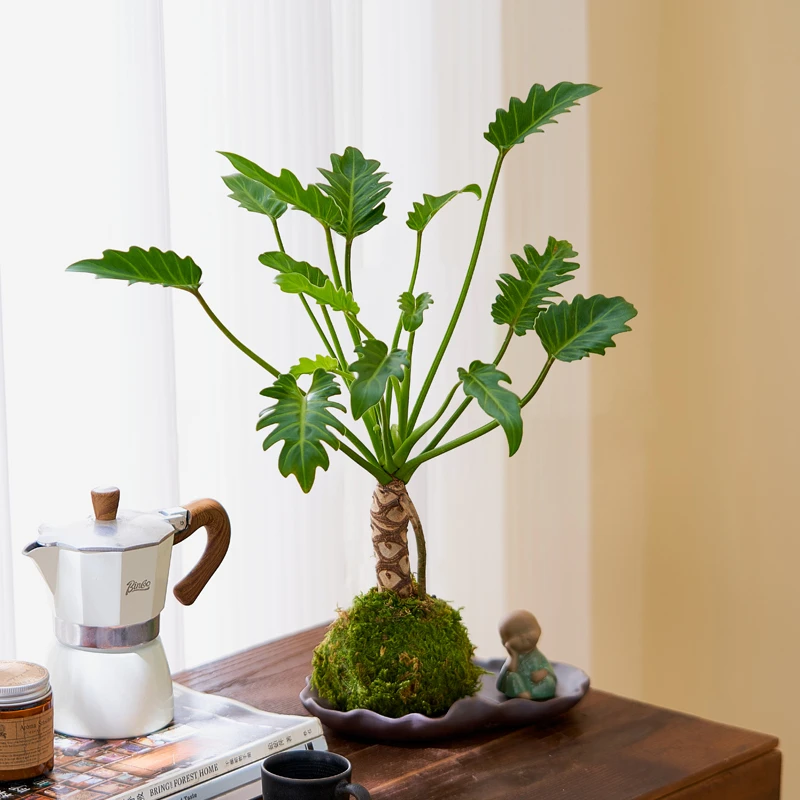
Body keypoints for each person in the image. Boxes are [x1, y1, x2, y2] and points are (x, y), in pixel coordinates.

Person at [496, 609, 557, 700]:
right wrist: (513, 654)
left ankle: (535, 692)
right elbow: (512, 670)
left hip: (536, 684)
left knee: (549, 681)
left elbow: (547, 668)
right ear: (505, 642)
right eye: (516, 635)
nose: (524, 636)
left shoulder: (537, 655)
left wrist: (543, 672)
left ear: (539, 629)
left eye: (528, 630)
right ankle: (521, 693)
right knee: (512, 677)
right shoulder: (514, 656)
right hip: (520, 686)